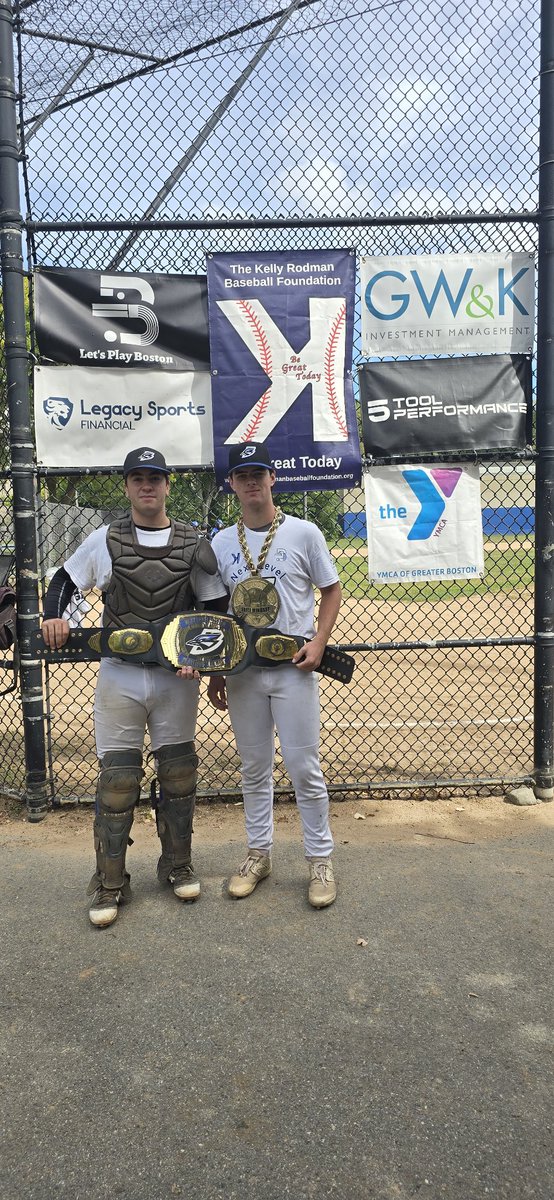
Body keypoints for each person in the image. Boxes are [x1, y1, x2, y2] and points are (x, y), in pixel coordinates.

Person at [41, 446, 227, 928]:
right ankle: (109, 879)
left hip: (175, 678)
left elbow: (216, 608)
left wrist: (203, 659)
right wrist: (54, 615)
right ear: (127, 486)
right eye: (137, 478)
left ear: (168, 485)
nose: (147, 486)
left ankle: (176, 863)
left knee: (179, 773)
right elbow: (63, 579)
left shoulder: (192, 540)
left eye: (155, 478)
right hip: (120, 673)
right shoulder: (106, 538)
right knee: (118, 780)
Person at [208, 441, 342, 909]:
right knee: (254, 768)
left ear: (272, 479)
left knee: (305, 768)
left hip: (292, 668)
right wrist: (218, 671)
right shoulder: (222, 542)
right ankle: (258, 854)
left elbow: (330, 589)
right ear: (232, 484)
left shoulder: (304, 533)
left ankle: (320, 859)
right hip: (243, 671)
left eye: (257, 474)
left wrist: (320, 640)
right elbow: (218, 610)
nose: (250, 482)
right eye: (241, 475)